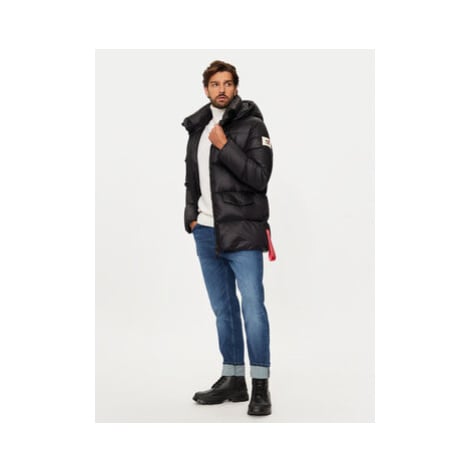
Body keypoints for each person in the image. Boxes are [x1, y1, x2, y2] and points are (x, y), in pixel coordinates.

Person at [182, 60, 275, 416]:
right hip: (206, 232)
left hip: (243, 231)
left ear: (236, 87)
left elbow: (259, 177)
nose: (221, 89)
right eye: (215, 84)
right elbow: (192, 176)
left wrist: (224, 146)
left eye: (227, 83)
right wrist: (190, 213)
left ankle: (260, 386)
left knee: (253, 307)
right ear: (206, 89)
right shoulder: (198, 127)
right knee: (223, 309)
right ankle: (233, 379)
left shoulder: (253, 126)